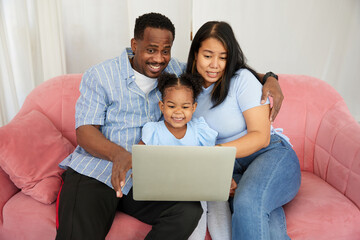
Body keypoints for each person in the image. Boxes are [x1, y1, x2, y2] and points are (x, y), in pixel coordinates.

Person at [56, 12, 284, 240]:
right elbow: (85, 131)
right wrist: (119, 155)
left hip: (147, 179)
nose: (158, 59)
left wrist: (270, 78)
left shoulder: (176, 71)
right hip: (97, 171)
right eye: (151, 49)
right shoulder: (100, 76)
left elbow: (225, 69)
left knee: (187, 211)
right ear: (135, 45)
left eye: (165, 51)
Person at [186, 21, 301, 240]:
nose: (215, 65)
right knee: (269, 224)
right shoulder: (185, 87)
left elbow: (261, 137)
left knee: (248, 200)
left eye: (223, 57)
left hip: (270, 155)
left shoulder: (241, 80)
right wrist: (217, 174)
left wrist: (215, 155)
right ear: (195, 54)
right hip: (230, 168)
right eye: (208, 55)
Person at [139, 72, 233, 240]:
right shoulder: (153, 130)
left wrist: (224, 179)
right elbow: (140, 160)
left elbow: (213, 159)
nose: (178, 112)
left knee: (218, 200)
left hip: (200, 182)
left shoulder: (199, 129)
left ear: (193, 107)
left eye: (185, 107)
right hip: (171, 189)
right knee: (193, 206)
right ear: (161, 106)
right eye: (171, 106)